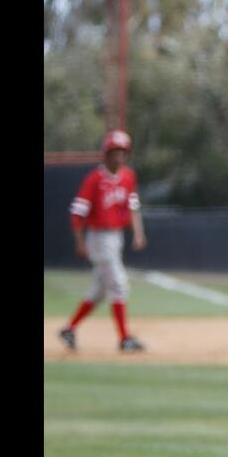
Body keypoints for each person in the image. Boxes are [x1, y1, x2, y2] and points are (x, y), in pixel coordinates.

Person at [59, 129, 148, 352]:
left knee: (99, 291)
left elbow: (133, 206)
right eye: (114, 152)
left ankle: (69, 328)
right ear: (106, 154)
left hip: (116, 237)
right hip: (98, 237)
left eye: (122, 152)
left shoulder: (128, 176)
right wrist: (80, 241)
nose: (118, 157)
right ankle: (125, 339)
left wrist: (138, 232)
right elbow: (77, 213)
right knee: (118, 285)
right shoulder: (94, 179)